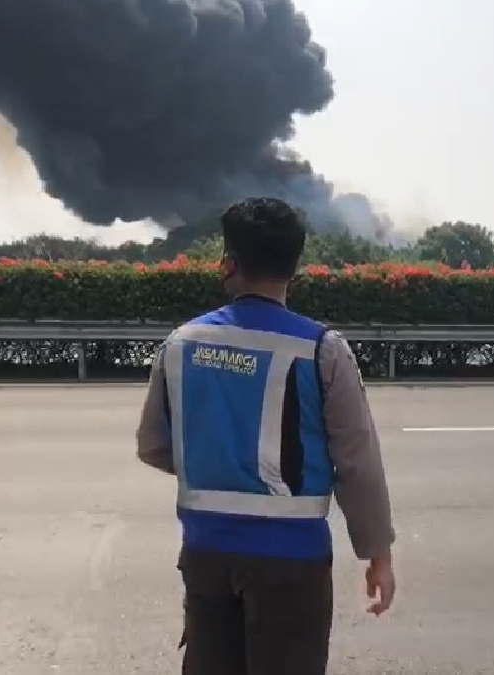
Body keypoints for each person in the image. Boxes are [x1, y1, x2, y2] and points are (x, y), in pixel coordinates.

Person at [135, 197, 397, 675]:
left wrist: (220, 460)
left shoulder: (182, 344)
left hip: (206, 553)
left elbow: (153, 446)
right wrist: (377, 553)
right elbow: (357, 463)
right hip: (292, 562)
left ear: (229, 263)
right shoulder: (321, 350)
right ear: (294, 268)